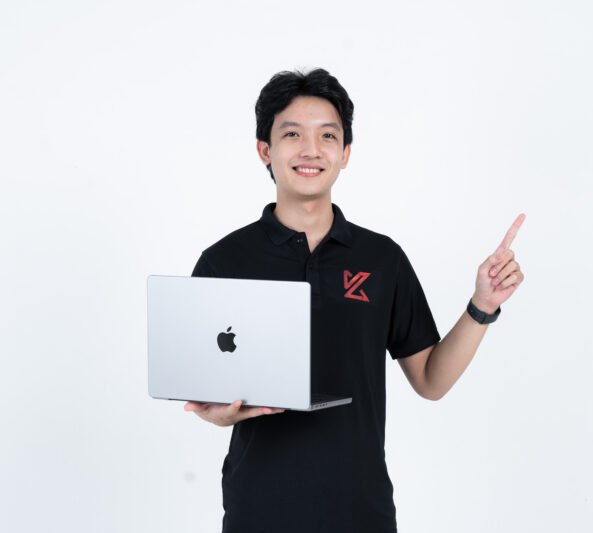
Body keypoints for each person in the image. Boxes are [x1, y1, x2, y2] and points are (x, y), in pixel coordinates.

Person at [184, 68, 525, 532]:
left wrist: (482, 305)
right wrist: (219, 415)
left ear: (345, 153)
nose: (311, 150)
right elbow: (203, 393)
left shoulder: (381, 258)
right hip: (259, 509)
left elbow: (431, 380)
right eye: (292, 134)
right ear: (265, 149)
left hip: (362, 511)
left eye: (328, 135)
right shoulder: (224, 260)